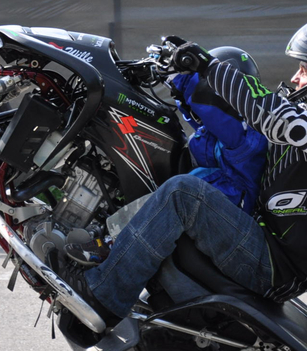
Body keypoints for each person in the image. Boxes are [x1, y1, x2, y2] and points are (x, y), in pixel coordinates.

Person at [56, 15, 307, 326]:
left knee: (183, 194)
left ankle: (102, 295)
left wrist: (207, 66)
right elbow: (249, 121)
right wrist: (177, 78)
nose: (295, 78)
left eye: (304, 69)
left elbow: (272, 114)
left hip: (275, 266)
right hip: (268, 241)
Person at [65, 47, 269, 266]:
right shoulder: (220, 130)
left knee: (177, 190)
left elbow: (212, 112)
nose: (207, 88)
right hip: (213, 196)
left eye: (211, 83)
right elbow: (199, 114)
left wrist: (184, 78)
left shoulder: (249, 133)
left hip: (229, 210)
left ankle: (114, 242)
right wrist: (174, 83)